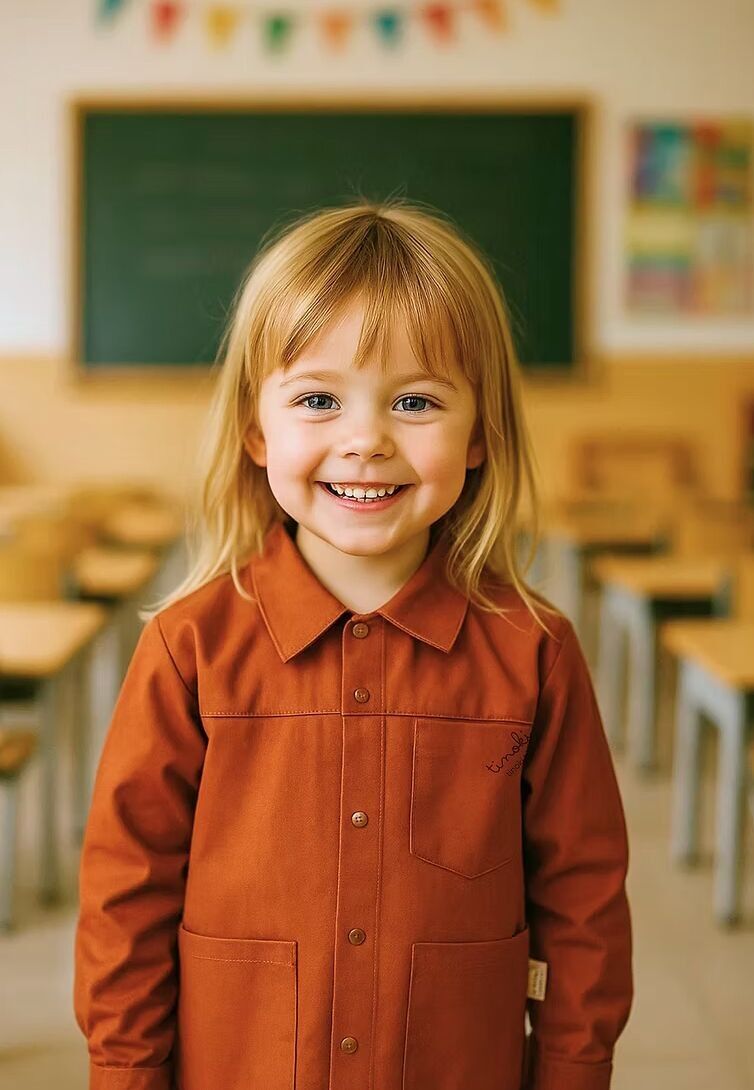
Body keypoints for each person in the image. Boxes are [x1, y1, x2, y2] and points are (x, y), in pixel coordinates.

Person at [74, 198, 633, 1090]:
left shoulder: (535, 652)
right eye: (318, 399)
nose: (365, 440)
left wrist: (573, 1069)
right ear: (259, 431)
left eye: (416, 401)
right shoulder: (188, 646)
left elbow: (584, 901)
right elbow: (125, 893)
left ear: (481, 433)